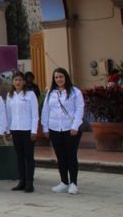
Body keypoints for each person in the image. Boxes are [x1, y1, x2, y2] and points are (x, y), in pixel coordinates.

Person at [41, 67, 84, 195]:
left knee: (71, 156)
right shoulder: (51, 93)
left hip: (70, 129)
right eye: (56, 77)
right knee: (60, 156)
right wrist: (45, 128)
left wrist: (75, 126)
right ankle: (64, 182)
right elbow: (45, 111)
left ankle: (73, 183)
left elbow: (79, 109)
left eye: (61, 76)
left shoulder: (75, 92)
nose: (59, 79)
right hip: (55, 128)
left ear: (66, 77)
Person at [6, 71, 39, 193]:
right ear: (12, 82)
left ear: (24, 82)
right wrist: (8, 129)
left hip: (27, 130)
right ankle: (22, 181)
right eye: (15, 80)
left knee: (29, 157)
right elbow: (8, 114)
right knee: (19, 157)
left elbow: (35, 115)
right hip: (15, 130)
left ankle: (30, 182)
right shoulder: (10, 96)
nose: (17, 82)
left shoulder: (30, 95)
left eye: (20, 80)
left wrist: (34, 130)